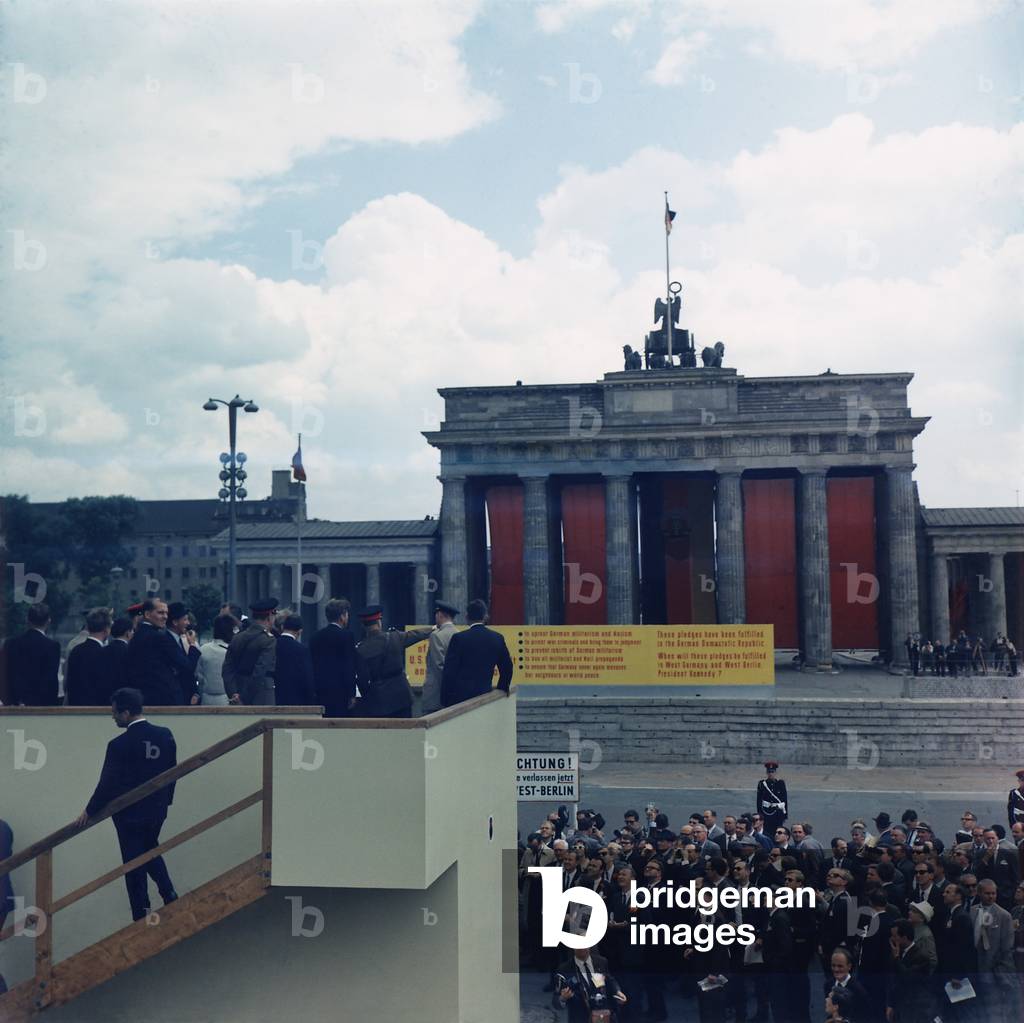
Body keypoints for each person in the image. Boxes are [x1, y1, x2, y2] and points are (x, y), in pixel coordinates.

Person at [74, 688, 178, 921]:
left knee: (132, 863)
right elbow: (173, 771)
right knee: (150, 849)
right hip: (157, 809)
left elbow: (107, 783)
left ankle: (141, 912)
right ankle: (168, 892)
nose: (112, 717)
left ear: (126, 713)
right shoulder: (165, 735)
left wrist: (89, 811)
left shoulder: (118, 745)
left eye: (115, 713)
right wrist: (166, 802)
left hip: (129, 813)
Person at [353, 605, 431, 718]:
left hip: (378, 701)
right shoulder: (394, 637)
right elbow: (415, 635)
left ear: (363, 626)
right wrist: (433, 628)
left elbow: (362, 680)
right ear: (379, 622)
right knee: (405, 732)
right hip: (401, 696)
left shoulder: (360, 649)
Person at [439, 598, 513, 707]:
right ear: (485, 617)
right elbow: (507, 668)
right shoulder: (497, 638)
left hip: (460, 700)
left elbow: (449, 672)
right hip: (485, 696)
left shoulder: (459, 638)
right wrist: (502, 688)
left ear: (467, 617)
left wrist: (445, 700)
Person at [127, 598, 200, 706]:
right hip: (163, 697)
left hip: (143, 696)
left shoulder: (137, 635)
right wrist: (193, 646)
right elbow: (187, 666)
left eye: (166, 613)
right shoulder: (159, 637)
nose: (165, 616)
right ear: (147, 614)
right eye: (160, 613)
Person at [971, 879, 1016, 1022]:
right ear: (979, 893)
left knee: (994, 1009)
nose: (991, 896)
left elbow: (1006, 946)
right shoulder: (973, 911)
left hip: (993, 971)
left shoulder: (1004, 916)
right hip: (974, 967)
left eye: (993, 893)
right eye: (987, 893)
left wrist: (995, 969)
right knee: (978, 1008)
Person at [223, 598, 278, 705]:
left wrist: (233, 693)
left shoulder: (237, 637)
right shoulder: (269, 640)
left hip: (237, 692)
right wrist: (244, 698)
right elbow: (260, 671)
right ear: (269, 616)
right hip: (261, 695)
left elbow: (227, 669)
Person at [4, 603, 61, 706]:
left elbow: (7, 675)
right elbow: (50, 680)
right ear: (49, 621)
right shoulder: (52, 646)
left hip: (15, 704)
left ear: (27, 620)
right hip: (42, 705)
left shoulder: (11, 644)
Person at [309, 598, 357, 717]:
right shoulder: (347, 636)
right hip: (341, 693)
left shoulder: (315, 637)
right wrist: (352, 694)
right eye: (346, 614)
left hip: (320, 691)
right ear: (342, 616)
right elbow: (349, 666)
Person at [553, 946, 627, 1022]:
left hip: (604, 1017)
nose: (582, 947)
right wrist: (563, 998)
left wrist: (618, 991)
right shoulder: (564, 969)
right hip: (580, 1018)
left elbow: (610, 980)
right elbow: (556, 1002)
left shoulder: (601, 962)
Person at [885, 918, 934, 1023]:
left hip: (914, 1008)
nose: (891, 939)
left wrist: (897, 958)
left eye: (895, 936)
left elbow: (907, 977)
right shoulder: (895, 953)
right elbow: (893, 981)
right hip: (898, 1006)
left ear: (904, 937)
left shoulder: (921, 956)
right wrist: (890, 1004)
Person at [65, 607, 113, 706]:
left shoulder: (75, 651)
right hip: (98, 710)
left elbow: (69, 684)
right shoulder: (106, 654)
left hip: (76, 707)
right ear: (106, 630)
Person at [420, 600, 459, 714]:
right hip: (454, 693)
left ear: (440, 615)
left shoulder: (436, 635)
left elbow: (438, 666)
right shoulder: (458, 634)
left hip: (436, 694)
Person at [274, 614, 316, 705]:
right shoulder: (301, 649)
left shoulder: (273, 644)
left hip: (275, 695)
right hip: (296, 697)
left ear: (282, 627)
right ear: (299, 631)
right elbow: (307, 676)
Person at [195, 613, 237, 705]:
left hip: (206, 699)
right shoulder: (232, 651)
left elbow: (199, 676)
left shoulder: (203, 649)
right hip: (228, 699)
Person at [101, 615, 135, 694]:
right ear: (128, 633)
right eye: (132, 631)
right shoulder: (131, 652)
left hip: (105, 694)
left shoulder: (103, 650)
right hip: (125, 694)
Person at [757, 760, 788, 834]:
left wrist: (785, 814)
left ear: (775, 772)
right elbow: (759, 800)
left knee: (778, 831)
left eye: (772, 771)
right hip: (766, 811)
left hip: (777, 812)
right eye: (769, 772)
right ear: (767, 773)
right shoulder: (762, 783)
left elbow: (784, 799)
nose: (771, 774)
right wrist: (760, 814)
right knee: (766, 831)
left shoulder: (780, 783)